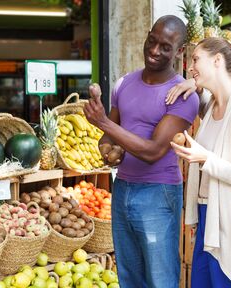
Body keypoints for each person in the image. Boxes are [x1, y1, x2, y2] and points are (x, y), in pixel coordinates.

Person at [83, 15, 199, 288]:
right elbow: (107, 137)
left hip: (158, 193)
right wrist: (109, 150)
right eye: (152, 41)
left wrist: (103, 122)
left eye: (166, 47)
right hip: (122, 187)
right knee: (129, 275)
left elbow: (153, 151)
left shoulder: (183, 96)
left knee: (159, 279)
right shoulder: (124, 84)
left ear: (180, 51)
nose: (155, 51)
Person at [168, 37, 231, 288]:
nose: (190, 67)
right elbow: (200, 95)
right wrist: (194, 84)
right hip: (208, 218)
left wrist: (206, 159)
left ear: (217, 60)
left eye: (195, 59)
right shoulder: (213, 105)